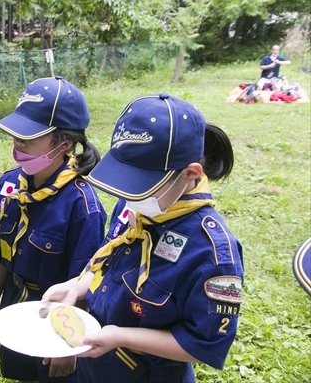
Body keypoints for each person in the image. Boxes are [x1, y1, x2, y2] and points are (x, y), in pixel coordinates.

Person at [42, 93, 244, 382]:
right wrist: (77, 287)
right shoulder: (137, 202)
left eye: (142, 185)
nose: (128, 194)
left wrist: (122, 336)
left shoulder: (213, 253)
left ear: (190, 174)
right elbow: (111, 264)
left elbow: (204, 343)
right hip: (97, 363)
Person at [0, 77, 107, 383]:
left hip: (57, 319)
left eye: (29, 135)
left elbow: (85, 284)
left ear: (64, 143)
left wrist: (70, 348)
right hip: (14, 306)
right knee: (22, 374)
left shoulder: (82, 206)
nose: (17, 142)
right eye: (15, 132)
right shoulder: (8, 186)